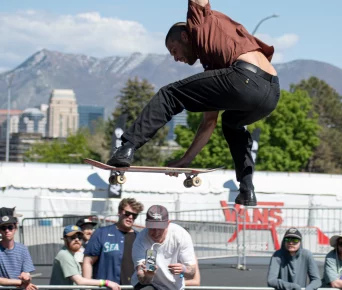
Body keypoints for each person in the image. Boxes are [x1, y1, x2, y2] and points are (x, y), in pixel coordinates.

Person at [106, 0, 280, 206]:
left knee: (169, 94)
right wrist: (186, 159)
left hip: (244, 78)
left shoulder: (199, 24)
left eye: (174, 50)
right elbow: (209, 122)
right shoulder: (214, 66)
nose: (175, 58)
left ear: (184, 36)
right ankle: (246, 188)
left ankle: (128, 147)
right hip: (271, 92)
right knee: (232, 124)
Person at [132, 205, 197, 290]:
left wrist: (183, 269)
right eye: (152, 228)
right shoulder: (141, 239)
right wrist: (148, 275)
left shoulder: (181, 235)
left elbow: (192, 273)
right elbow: (142, 278)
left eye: (160, 228)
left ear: (168, 223)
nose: (156, 232)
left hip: (173, 286)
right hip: (148, 285)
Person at [83, 198, 144, 285]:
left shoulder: (139, 238)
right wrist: (87, 287)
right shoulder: (101, 233)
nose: (130, 217)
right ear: (119, 212)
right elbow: (88, 261)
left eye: (134, 215)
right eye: (127, 213)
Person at [50, 225, 120, 290]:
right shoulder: (64, 255)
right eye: (72, 237)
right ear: (65, 239)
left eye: (79, 237)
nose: (77, 239)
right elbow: (79, 281)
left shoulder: (73, 254)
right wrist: (106, 282)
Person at [0, 207, 37, 290]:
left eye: (10, 227)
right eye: (3, 228)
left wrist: (26, 278)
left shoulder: (23, 249)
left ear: (15, 228)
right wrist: (20, 282)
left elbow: (27, 274)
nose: (7, 230)